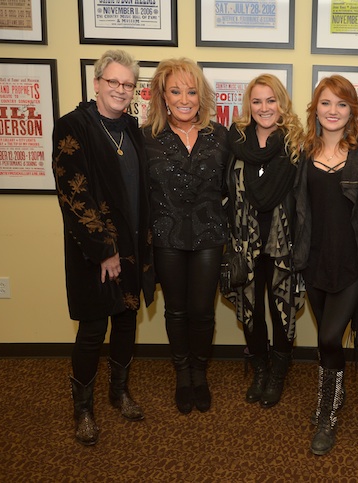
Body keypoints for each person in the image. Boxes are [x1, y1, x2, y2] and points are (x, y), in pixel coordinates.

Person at [52, 49, 155, 446]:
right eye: (112, 81)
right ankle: (83, 409)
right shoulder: (72, 127)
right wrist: (104, 250)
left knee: (126, 321)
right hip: (92, 252)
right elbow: (74, 197)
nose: (120, 89)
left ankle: (119, 392)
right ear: (96, 83)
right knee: (94, 328)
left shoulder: (131, 128)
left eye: (128, 84)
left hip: (132, 248)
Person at [294, 75, 358, 455]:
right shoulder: (302, 151)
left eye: (341, 104)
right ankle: (335, 392)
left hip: (351, 263)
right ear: (317, 108)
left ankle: (327, 415)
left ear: (352, 111)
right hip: (313, 261)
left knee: (330, 337)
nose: (333, 111)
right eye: (326, 103)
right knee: (324, 340)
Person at [142, 58, 229, 414]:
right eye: (176, 90)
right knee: (176, 311)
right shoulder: (145, 137)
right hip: (167, 238)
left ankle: (201, 374)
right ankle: (183, 375)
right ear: (162, 95)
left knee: (203, 311)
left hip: (210, 236)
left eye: (191, 91)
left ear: (201, 96)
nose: (184, 98)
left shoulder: (220, 136)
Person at [224, 74, 305, 408]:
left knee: (280, 305)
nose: (264, 108)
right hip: (244, 241)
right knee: (252, 306)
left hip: (284, 241)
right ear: (248, 106)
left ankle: (278, 371)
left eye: (271, 100)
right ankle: (260, 368)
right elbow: (223, 189)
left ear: (281, 103)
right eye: (256, 101)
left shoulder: (297, 143)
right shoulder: (235, 141)